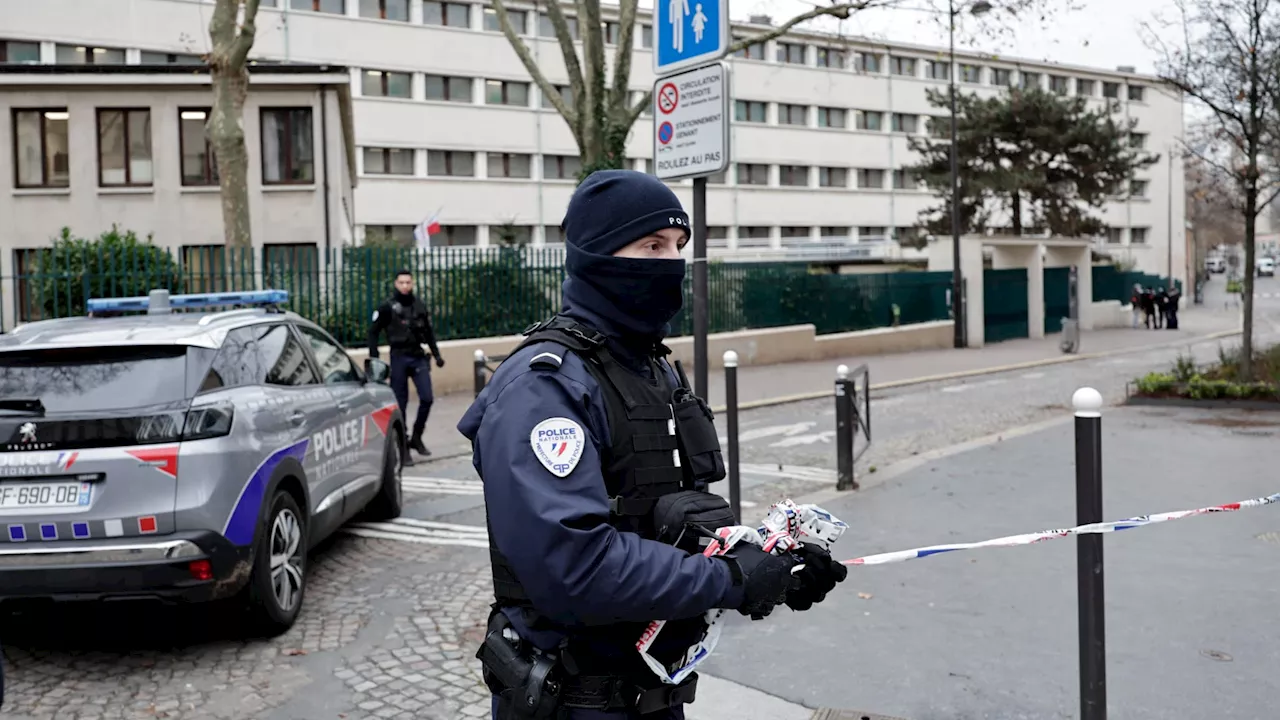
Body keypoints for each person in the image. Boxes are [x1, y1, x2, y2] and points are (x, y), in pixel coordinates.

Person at [458, 170, 847, 720]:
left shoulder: (655, 370)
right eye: (652, 245)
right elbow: (575, 566)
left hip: (656, 695)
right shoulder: (544, 387)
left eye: (679, 246)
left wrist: (773, 565)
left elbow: (666, 521)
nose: (672, 263)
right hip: (572, 702)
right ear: (597, 256)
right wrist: (731, 580)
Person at [368, 270, 445, 463]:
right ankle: (403, 448)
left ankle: (417, 437)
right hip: (399, 357)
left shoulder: (418, 304)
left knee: (427, 398)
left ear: (412, 283)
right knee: (400, 404)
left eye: (408, 282)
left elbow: (428, 332)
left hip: (417, 356)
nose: (405, 286)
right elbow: (373, 332)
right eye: (401, 282)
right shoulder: (387, 307)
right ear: (395, 284)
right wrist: (374, 357)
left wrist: (436, 355)